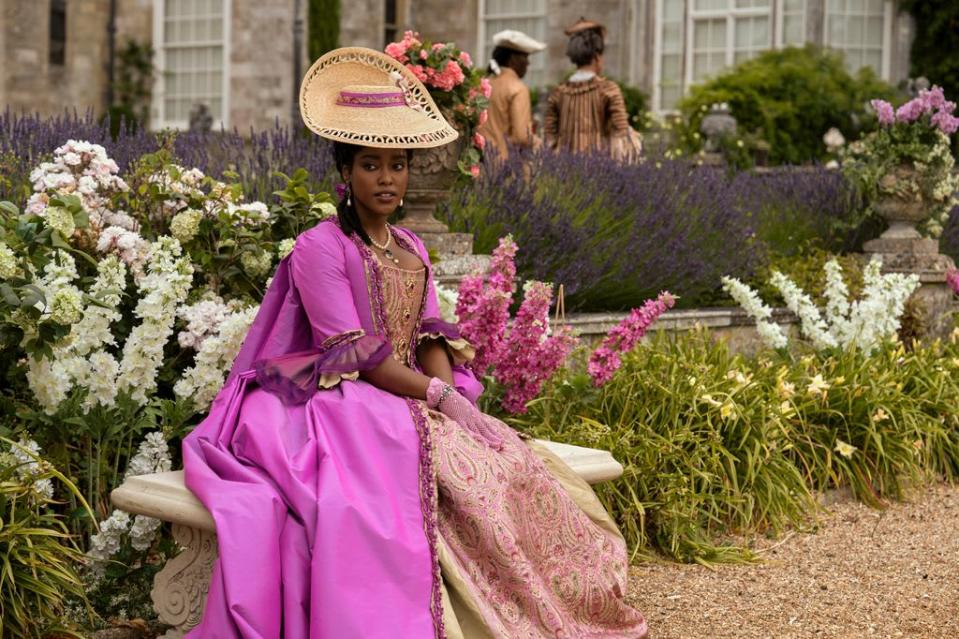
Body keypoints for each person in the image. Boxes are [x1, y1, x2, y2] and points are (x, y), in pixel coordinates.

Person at [183, 46, 648, 638]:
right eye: (371, 165)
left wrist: (454, 393)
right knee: (408, 485)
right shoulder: (321, 247)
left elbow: (430, 331)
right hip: (338, 393)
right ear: (345, 173)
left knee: (504, 461)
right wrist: (435, 398)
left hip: (406, 389)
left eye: (397, 165)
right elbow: (352, 350)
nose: (387, 179)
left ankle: (540, 601)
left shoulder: (412, 247)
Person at [544, 18, 642, 162]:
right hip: (600, 172)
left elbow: (549, 139)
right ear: (597, 57)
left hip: (565, 172)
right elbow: (622, 136)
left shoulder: (558, 93)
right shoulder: (608, 89)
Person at [477, 29, 546, 158]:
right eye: (525, 57)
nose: (528, 63)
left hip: (477, 165)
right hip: (504, 167)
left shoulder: (483, 84)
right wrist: (540, 143)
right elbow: (521, 136)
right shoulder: (518, 88)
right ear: (513, 59)